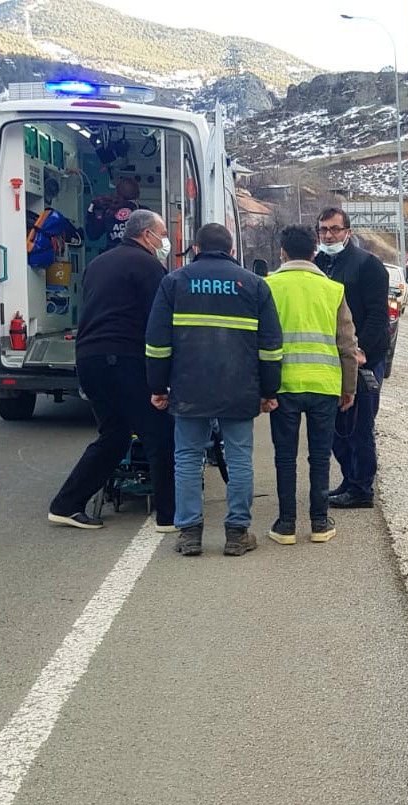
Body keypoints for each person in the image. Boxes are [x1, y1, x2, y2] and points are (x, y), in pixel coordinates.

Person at [146, 223, 283, 557]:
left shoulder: (174, 282)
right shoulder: (254, 285)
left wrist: (157, 385)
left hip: (188, 387)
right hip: (240, 387)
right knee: (239, 458)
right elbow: (270, 347)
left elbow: (157, 343)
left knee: (188, 458)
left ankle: (189, 533)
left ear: (195, 248)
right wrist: (269, 389)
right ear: (232, 250)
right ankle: (237, 533)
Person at [48, 209, 174, 531]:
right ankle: (168, 516)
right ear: (147, 235)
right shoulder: (148, 266)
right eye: (161, 234)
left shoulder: (98, 263)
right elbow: (158, 319)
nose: (164, 241)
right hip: (123, 358)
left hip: (89, 359)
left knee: (115, 436)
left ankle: (66, 504)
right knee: (159, 434)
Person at [264, 225, 359, 546]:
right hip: (325, 386)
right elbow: (347, 343)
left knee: (285, 456)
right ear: (315, 252)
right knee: (319, 457)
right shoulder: (333, 290)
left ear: (282, 252)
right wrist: (350, 387)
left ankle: (286, 524)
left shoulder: (269, 286)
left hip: (283, 386)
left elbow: (259, 341)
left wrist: (263, 388)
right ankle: (320, 522)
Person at [313, 207, 389, 509]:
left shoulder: (368, 266)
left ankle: (362, 489)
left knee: (359, 427)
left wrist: (362, 352)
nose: (328, 235)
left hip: (362, 360)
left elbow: (377, 317)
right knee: (335, 429)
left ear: (348, 232)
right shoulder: (316, 264)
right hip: (330, 360)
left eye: (334, 229)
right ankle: (349, 478)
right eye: (323, 230)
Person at [85, 176, 143, 251]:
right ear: (138, 194)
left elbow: (93, 235)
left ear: (117, 193)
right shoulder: (144, 213)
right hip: (137, 255)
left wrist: (91, 212)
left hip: (113, 256)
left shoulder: (109, 212)